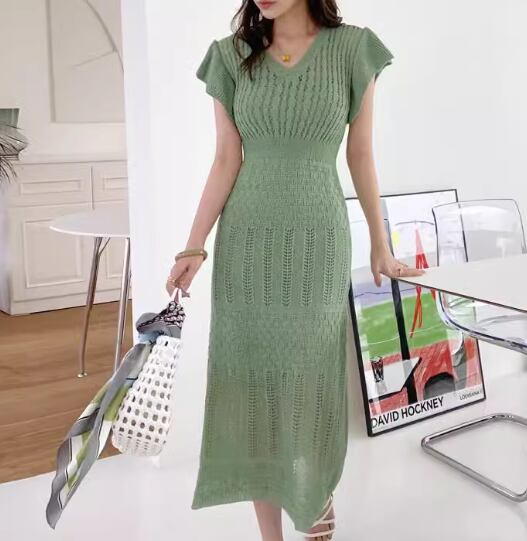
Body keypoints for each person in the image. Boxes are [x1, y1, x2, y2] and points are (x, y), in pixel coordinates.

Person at [166, 1, 425, 540]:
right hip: (247, 244)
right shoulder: (231, 56)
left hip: (317, 240)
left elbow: (360, 154)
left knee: (309, 380)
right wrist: (193, 246)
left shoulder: (353, 49)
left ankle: (313, 499)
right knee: (253, 383)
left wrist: (380, 243)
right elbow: (226, 159)